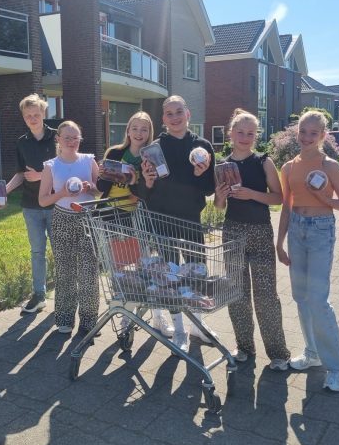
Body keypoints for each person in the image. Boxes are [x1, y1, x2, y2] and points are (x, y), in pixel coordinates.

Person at [276, 110, 339, 392]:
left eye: (313, 133)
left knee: (318, 300)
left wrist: (324, 198)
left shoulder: (329, 166)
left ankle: (337, 368)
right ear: (297, 133)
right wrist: (279, 243)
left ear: (322, 135)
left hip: (321, 230)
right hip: (296, 231)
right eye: (303, 132)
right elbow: (286, 207)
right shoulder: (288, 168)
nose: (307, 137)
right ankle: (312, 353)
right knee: (301, 297)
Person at [214, 109, 290, 370]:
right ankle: (244, 347)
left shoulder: (263, 162)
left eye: (250, 133)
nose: (245, 137)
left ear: (256, 136)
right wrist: (220, 196)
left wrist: (252, 194)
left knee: (266, 295)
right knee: (237, 292)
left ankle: (278, 353)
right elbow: (219, 207)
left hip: (260, 231)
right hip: (232, 231)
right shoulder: (223, 165)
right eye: (240, 132)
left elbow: (278, 197)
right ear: (231, 133)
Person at [141, 95, 216, 352]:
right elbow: (145, 193)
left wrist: (199, 174)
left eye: (179, 112)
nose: (174, 117)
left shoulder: (202, 146)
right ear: (163, 118)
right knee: (169, 277)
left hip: (191, 218)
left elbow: (209, 189)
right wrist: (147, 180)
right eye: (169, 113)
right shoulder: (154, 149)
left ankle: (197, 325)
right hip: (162, 220)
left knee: (196, 271)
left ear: (188, 114)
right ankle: (179, 331)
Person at [96, 111, 174, 338]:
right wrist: (102, 173)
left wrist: (134, 181)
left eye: (144, 129)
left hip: (138, 218)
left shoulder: (150, 157)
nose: (139, 133)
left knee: (146, 268)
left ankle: (158, 316)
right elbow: (102, 187)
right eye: (135, 128)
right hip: (111, 216)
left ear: (149, 133)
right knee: (119, 271)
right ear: (128, 130)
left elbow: (147, 193)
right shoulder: (115, 153)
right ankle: (126, 318)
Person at [38, 121, 100, 335]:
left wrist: (91, 187)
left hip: (87, 220)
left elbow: (100, 191)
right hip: (62, 219)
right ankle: (65, 318)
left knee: (89, 272)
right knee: (65, 271)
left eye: (76, 138)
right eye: (67, 138)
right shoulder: (51, 166)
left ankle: (89, 320)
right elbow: (43, 200)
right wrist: (63, 193)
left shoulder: (89, 160)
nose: (72, 142)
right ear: (58, 139)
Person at [5, 94, 56, 314]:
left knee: (61, 251)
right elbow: (21, 174)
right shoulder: (21, 142)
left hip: (55, 204)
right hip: (31, 206)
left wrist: (41, 176)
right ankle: (39, 296)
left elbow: (68, 167)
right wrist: (4, 191)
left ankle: (65, 295)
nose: (33, 119)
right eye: (28, 116)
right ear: (24, 118)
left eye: (36, 114)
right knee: (37, 252)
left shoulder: (57, 137)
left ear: (43, 113)